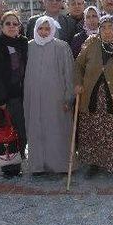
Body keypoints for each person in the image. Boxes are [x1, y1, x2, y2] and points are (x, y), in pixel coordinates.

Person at [74, 15, 113, 179]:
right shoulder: (91, 44)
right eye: (103, 28)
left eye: (111, 28)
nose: (107, 31)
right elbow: (78, 65)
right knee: (93, 132)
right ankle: (94, 164)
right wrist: (78, 83)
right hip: (91, 99)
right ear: (99, 30)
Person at [24, 16, 74, 174]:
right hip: (33, 97)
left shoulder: (61, 46)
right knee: (36, 130)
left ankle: (60, 165)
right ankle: (38, 166)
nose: (44, 32)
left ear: (53, 30)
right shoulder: (28, 47)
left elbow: (69, 73)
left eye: (47, 29)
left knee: (57, 130)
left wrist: (68, 97)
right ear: (35, 29)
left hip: (56, 98)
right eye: (41, 28)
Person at [0, 11, 28, 178]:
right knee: (8, 131)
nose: (11, 27)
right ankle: (9, 166)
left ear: (19, 27)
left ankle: (20, 157)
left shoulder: (24, 43)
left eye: (14, 24)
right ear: (1, 27)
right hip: (6, 98)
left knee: (22, 130)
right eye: (8, 24)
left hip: (23, 95)